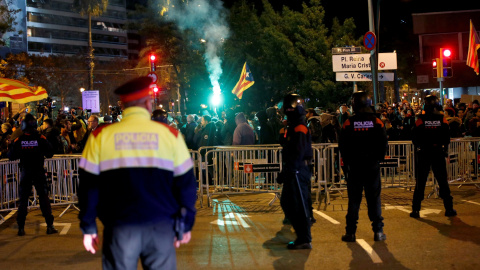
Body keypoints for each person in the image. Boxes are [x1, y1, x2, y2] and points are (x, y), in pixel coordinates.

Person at [78, 77, 197, 269]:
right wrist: (185, 222)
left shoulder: (99, 137)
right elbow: (186, 185)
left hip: (119, 228)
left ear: (123, 105)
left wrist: (88, 226)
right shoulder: (171, 135)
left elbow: (88, 187)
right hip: (161, 227)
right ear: (148, 103)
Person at [339, 91, 387, 242]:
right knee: (374, 199)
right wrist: (377, 159)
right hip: (372, 166)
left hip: (355, 167)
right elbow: (383, 144)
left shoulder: (348, 123)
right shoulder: (377, 122)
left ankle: (350, 232)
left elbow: (343, 146)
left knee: (354, 200)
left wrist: (346, 164)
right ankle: (378, 232)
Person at [8, 113, 57, 236]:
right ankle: (49, 226)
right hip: (38, 171)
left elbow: (11, 155)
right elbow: (50, 153)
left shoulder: (20, 140)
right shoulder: (40, 138)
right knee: (44, 198)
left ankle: (21, 228)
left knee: (23, 200)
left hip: (26, 172)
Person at [410, 95, 456, 218]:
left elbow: (414, 137)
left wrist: (421, 145)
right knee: (442, 181)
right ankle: (449, 209)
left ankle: (415, 210)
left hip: (424, 152)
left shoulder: (420, 120)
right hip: (437, 152)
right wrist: (443, 148)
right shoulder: (442, 119)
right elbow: (447, 137)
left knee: (421, 182)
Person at [278, 93, 313, 249]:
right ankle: (302, 234)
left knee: (298, 204)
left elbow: (297, 152)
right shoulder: (294, 124)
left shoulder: (299, 126)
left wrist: (288, 171)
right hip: (294, 169)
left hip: (298, 170)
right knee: (287, 202)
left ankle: (304, 238)